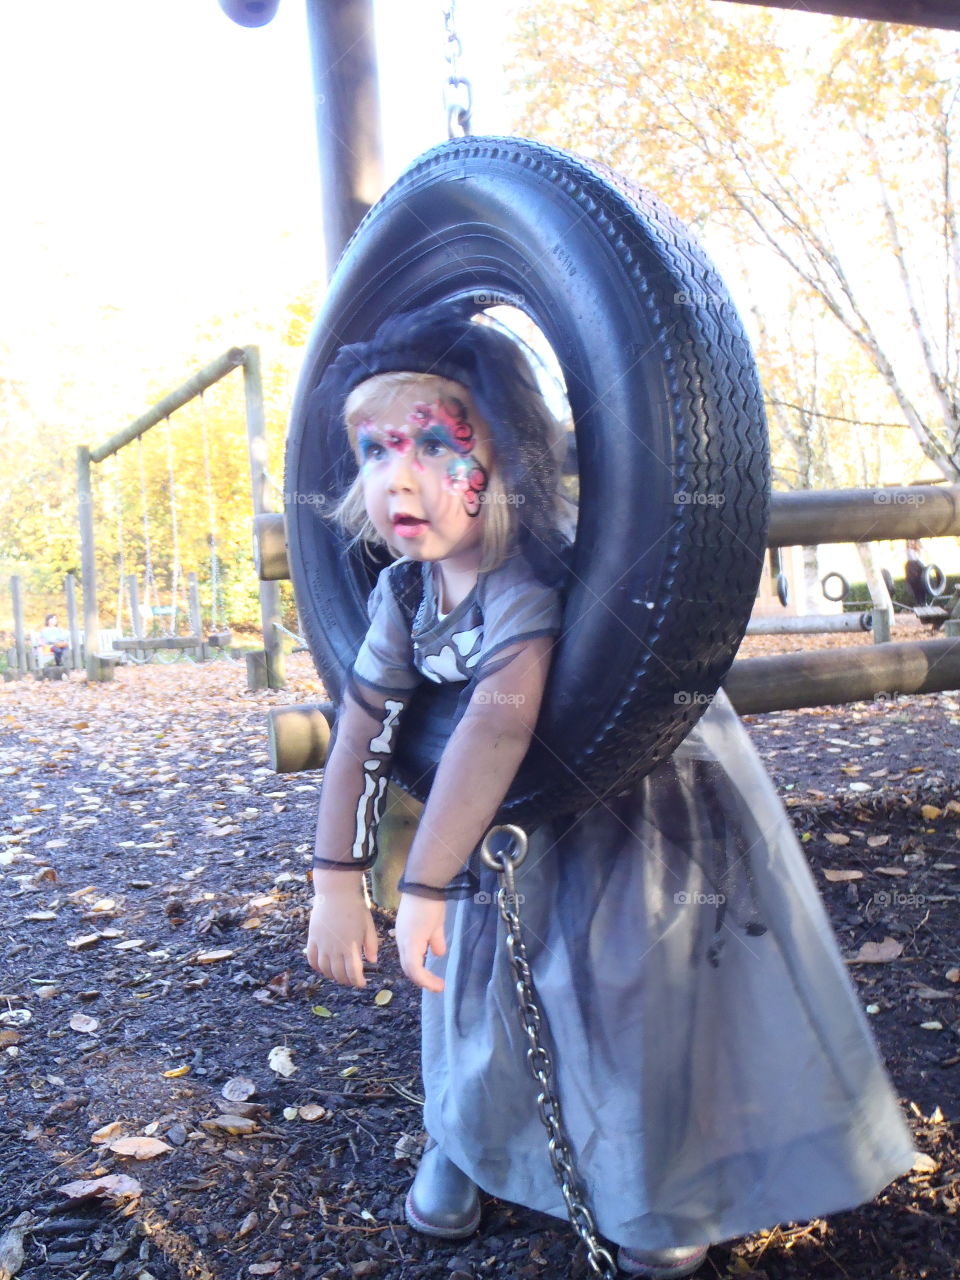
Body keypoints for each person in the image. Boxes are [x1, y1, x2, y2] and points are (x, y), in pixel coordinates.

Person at [304, 303, 915, 1279]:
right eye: (375, 450)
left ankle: (652, 1181)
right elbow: (363, 724)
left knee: (628, 989)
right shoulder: (404, 594)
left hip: (626, 807)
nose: (398, 477)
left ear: (501, 456)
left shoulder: (527, 578)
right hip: (494, 828)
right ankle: (469, 1141)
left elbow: (501, 718)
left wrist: (418, 881)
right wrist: (336, 873)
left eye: (433, 441)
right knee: (475, 983)